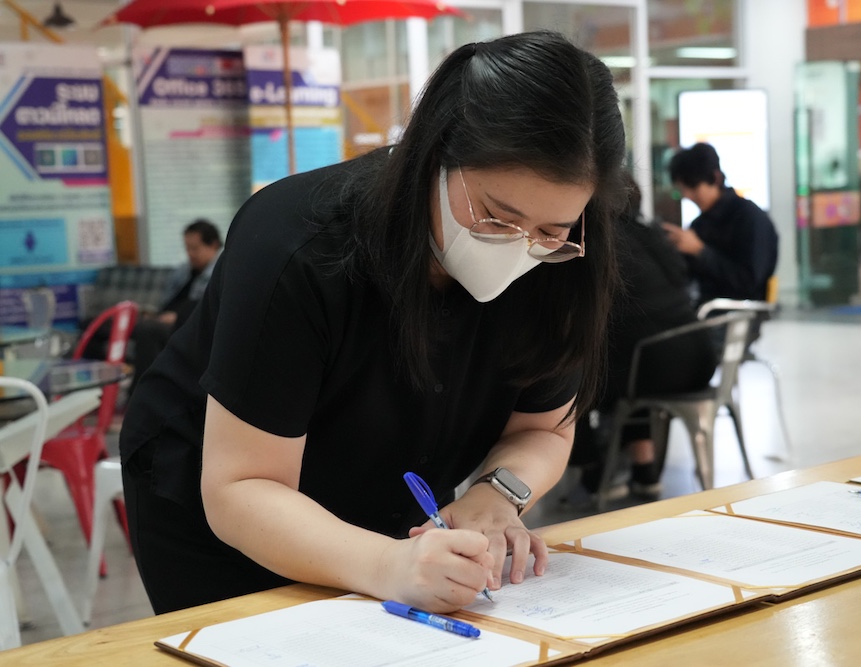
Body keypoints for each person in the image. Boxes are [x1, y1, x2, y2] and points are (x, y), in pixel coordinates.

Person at [120, 31, 627, 616]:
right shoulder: (297, 246)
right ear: (435, 154)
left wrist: (497, 495)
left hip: (388, 500)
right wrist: (388, 566)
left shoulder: (564, 264)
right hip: (228, 509)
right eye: (496, 217)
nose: (520, 248)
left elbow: (544, 429)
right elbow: (241, 488)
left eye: (551, 231)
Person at [568, 175, 717, 505]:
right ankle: (643, 469)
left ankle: (595, 473)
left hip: (655, 365)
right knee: (625, 358)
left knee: (571, 376)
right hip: (700, 357)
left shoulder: (595, 244)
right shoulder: (652, 233)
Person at [662, 143, 778, 305]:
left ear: (715, 178)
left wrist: (700, 251)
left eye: (693, 187)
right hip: (702, 308)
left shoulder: (750, 218)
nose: (688, 196)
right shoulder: (699, 225)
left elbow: (749, 282)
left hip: (739, 312)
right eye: (682, 190)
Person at [131, 219, 223, 382]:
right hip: (164, 319)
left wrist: (177, 317)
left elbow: (208, 310)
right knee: (114, 325)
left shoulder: (220, 273)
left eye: (195, 248)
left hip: (186, 326)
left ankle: (143, 387)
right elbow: (167, 300)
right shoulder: (183, 271)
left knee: (147, 330)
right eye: (187, 248)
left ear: (213, 245)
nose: (190, 254)